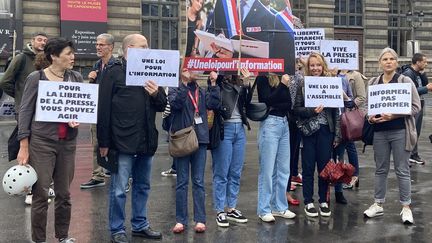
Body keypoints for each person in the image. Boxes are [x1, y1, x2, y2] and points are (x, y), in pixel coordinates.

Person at [97, 34, 166, 243]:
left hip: (146, 141)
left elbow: (162, 105)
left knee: (143, 186)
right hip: (122, 141)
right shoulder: (114, 72)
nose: (148, 49)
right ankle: (117, 229)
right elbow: (103, 109)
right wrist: (103, 142)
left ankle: (140, 224)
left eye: (147, 45)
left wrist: (156, 94)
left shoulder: (152, 71)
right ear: (129, 49)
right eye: (143, 46)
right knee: (119, 189)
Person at [16, 37, 82, 243]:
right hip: (42, 142)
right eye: (68, 53)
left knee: (64, 194)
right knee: (41, 193)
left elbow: (80, 106)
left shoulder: (76, 77)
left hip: (68, 143)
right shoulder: (37, 78)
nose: (73, 57)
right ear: (54, 56)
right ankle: (39, 239)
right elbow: (25, 111)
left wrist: (77, 117)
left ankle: (63, 236)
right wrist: (23, 145)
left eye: (73, 53)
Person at [363, 47, 420, 224]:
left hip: (400, 131)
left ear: (396, 62)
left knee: (402, 169)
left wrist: (394, 115)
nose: (388, 62)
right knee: (380, 169)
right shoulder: (372, 82)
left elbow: (416, 107)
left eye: (391, 59)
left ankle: (406, 207)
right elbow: (366, 106)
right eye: (385, 59)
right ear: (380, 62)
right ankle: (378, 204)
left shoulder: (405, 81)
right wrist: (370, 117)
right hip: (379, 133)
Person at [168, 69, 220, 233]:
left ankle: (200, 219)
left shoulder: (202, 91)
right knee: (182, 181)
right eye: (191, 69)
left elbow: (214, 104)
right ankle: (180, 220)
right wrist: (183, 84)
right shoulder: (175, 88)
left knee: (198, 181)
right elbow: (176, 104)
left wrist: (213, 84)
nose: (195, 72)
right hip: (182, 140)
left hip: (200, 139)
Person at [293, 52, 341, 218]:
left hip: (326, 131)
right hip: (309, 131)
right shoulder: (303, 84)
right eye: (312, 65)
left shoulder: (332, 83)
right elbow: (296, 109)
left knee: (324, 169)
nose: (315, 68)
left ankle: (323, 200)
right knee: (307, 168)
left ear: (323, 66)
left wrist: (337, 135)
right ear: (308, 67)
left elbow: (336, 112)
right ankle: (308, 201)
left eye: (318, 65)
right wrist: (311, 111)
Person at [210, 68, 251, 227]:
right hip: (224, 129)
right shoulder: (217, 83)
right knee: (221, 171)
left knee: (235, 171)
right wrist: (214, 81)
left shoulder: (238, 82)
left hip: (239, 128)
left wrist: (246, 83)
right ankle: (220, 210)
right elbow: (213, 102)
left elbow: (245, 104)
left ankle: (231, 207)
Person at [256, 74, 296, 223]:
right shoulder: (262, 78)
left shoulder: (283, 77)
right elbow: (267, 100)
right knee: (267, 169)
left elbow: (288, 104)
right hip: (270, 123)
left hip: (284, 123)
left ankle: (279, 206)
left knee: (283, 169)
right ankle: (264, 208)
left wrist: (280, 90)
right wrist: (282, 86)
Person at [80, 33, 116, 189]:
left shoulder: (118, 65)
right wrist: (91, 80)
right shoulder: (96, 65)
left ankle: (120, 175)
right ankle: (97, 175)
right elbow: (93, 91)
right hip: (97, 112)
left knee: (116, 145)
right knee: (97, 143)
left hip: (114, 113)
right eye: (97, 44)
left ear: (111, 47)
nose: (98, 47)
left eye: (102, 44)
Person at [401, 53, 432, 165]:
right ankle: (408, 155)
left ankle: (414, 154)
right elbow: (409, 91)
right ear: (418, 62)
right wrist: (426, 89)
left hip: (419, 104)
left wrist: (423, 74)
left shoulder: (418, 73)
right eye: (424, 61)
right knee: (411, 131)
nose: (426, 63)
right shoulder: (408, 74)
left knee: (416, 131)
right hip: (412, 106)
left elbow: (425, 84)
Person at [340, 70, 367, 189]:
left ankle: (353, 176)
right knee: (344, 147)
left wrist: (351, 103)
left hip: (348, 116)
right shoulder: (331, 73)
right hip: (336, 116)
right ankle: (349, 176)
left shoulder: (355, 75)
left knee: (349, 145)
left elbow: (361, 97)